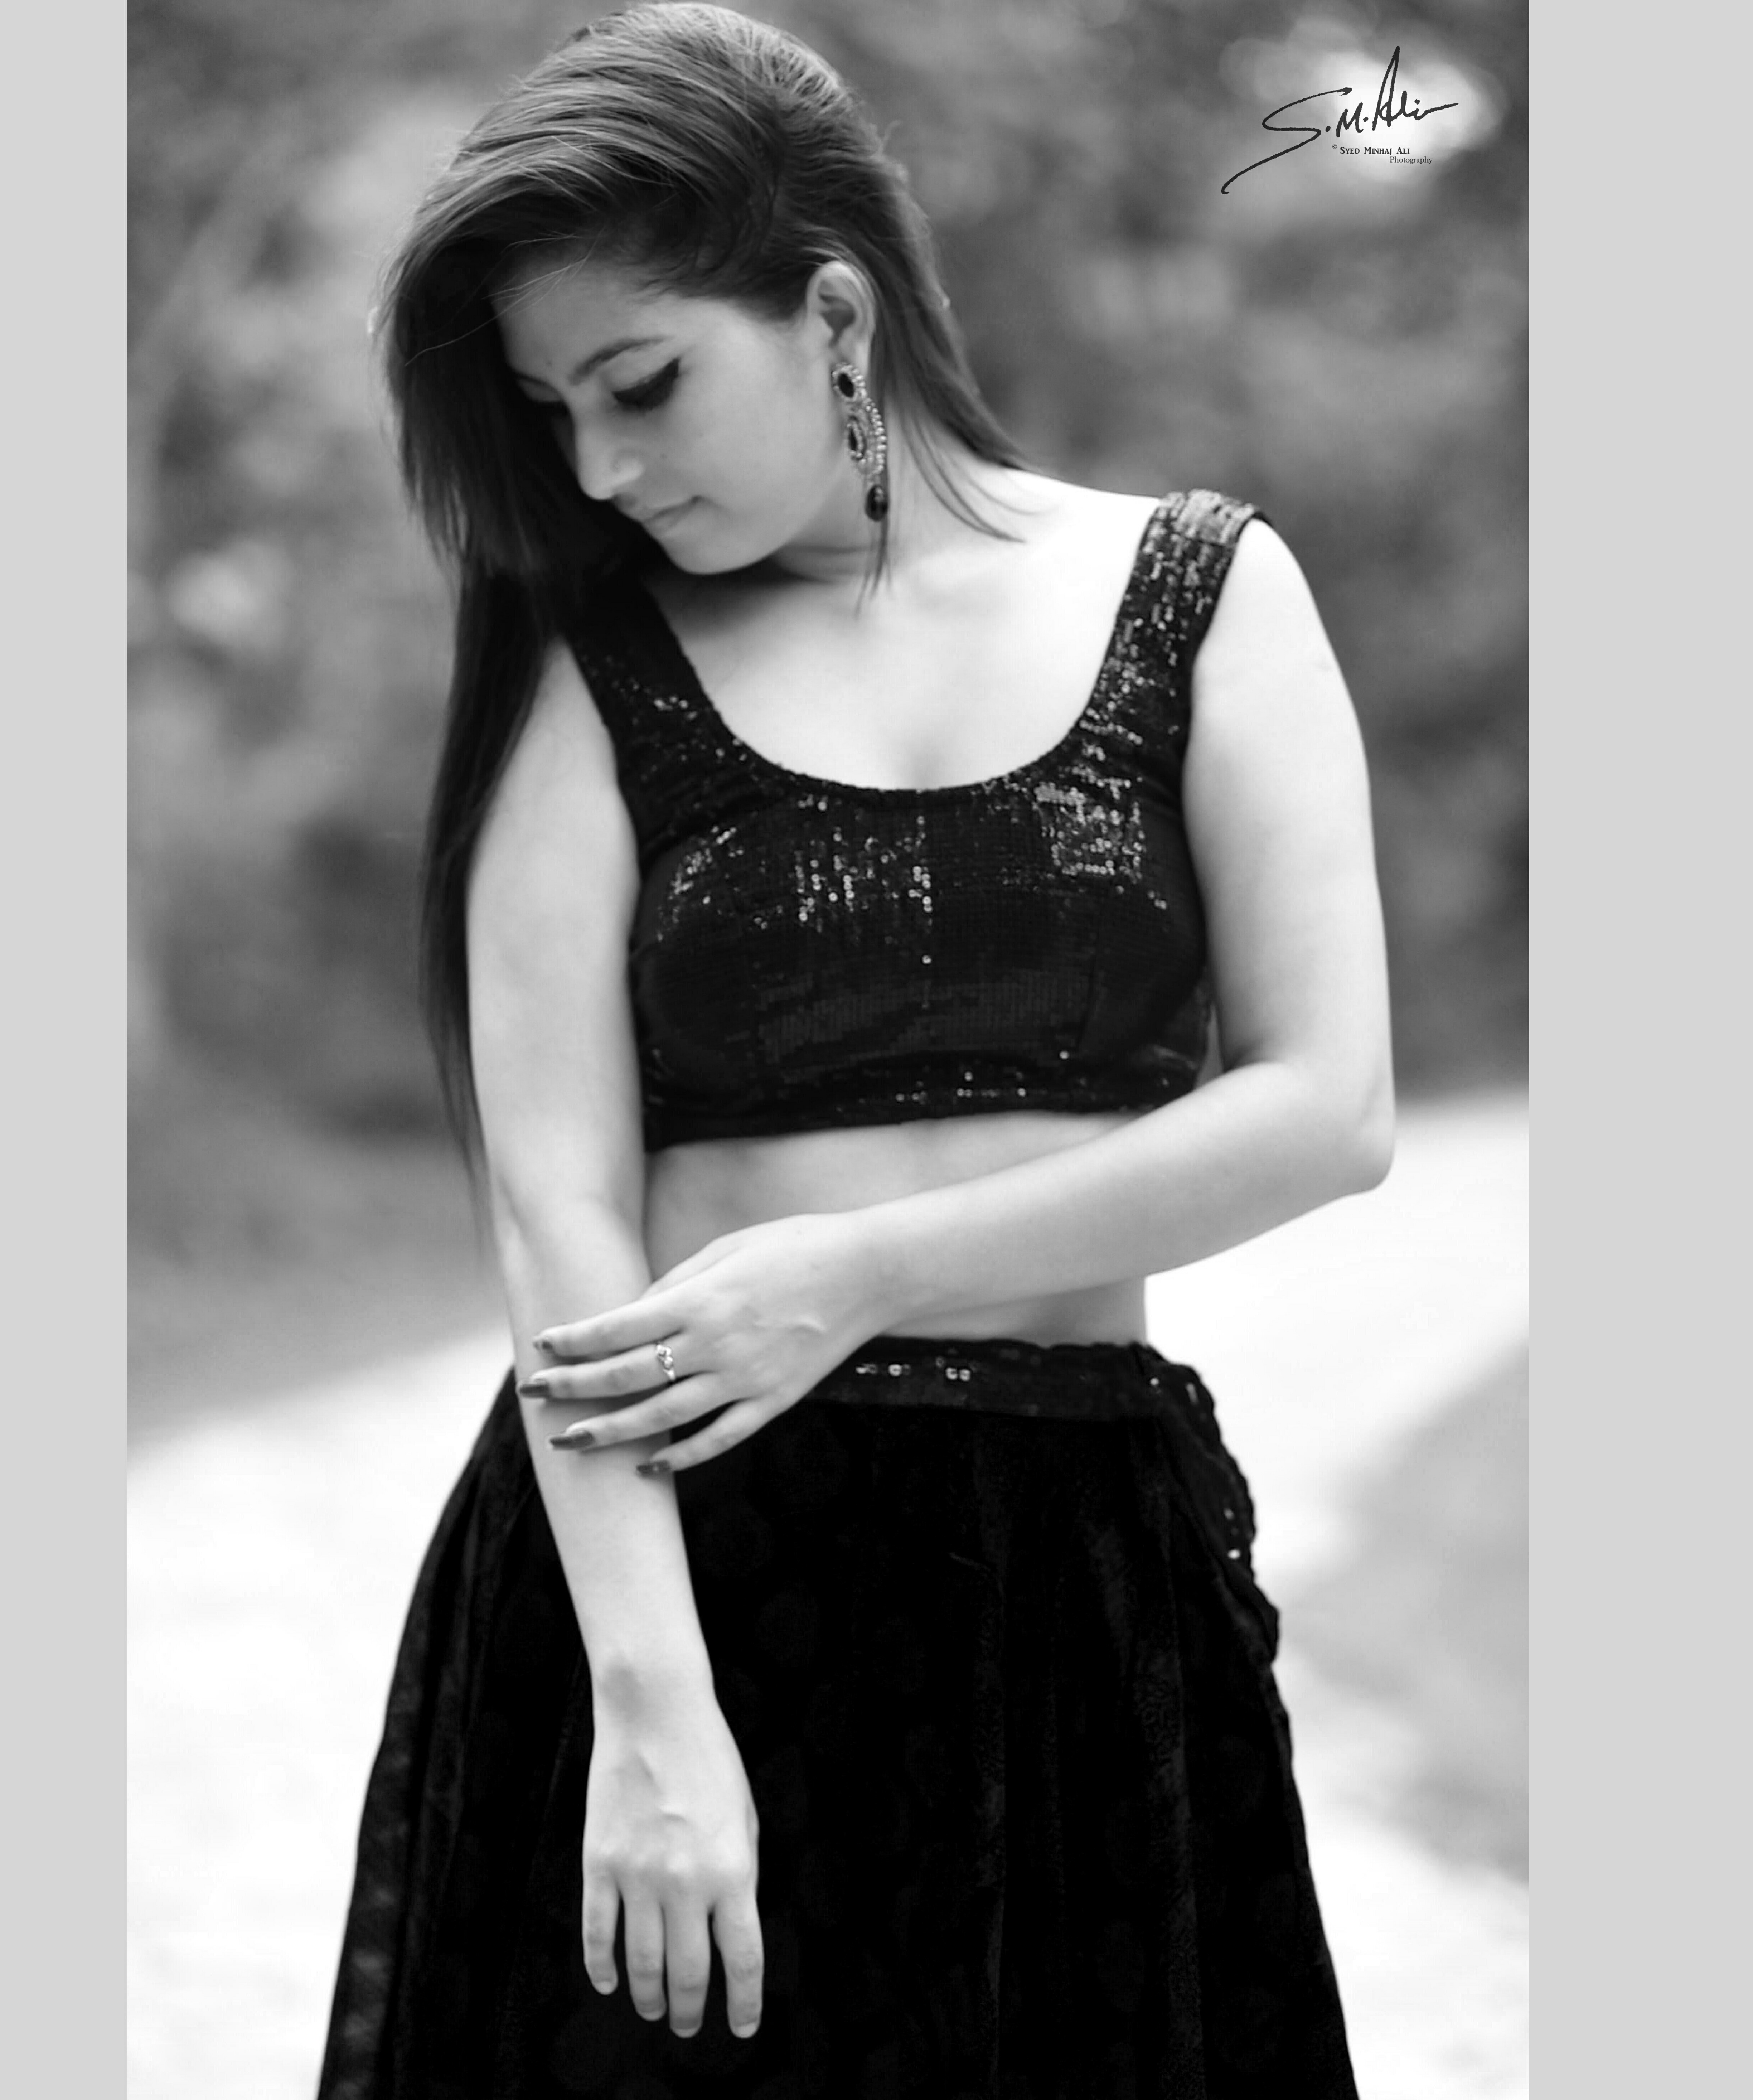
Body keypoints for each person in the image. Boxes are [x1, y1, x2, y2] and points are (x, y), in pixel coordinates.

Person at [318, 6, 1391, 2095]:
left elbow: (1327, 1109)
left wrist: (857, 1273)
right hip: (676, 1565)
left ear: (833, 311)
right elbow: (559, 1204)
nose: (603, 469)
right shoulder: (588, 653)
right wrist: (651, 1710)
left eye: (643, 383)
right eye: (554, 412)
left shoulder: (1202, 594)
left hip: (1074, 1581)